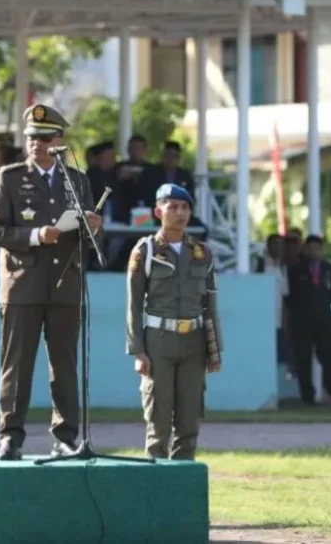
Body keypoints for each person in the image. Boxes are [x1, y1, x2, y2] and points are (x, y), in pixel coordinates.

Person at [0, 103, 101, 461]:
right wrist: (36, 235)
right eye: (32, 137)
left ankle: (65, 436)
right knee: (17, 366)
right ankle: (10, 437)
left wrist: (93, 226)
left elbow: (89, 238)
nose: (37, 143)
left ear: (60, 141)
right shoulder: (9, 178)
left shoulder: (76, 180)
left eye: (45, 138)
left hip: (65, 285)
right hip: (23, 286)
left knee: (64, 367)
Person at [125, 183, 222, 460]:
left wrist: (215, 350)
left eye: (185, 208)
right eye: (173, 207)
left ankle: (183, 479)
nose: (180, 213)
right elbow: (133, 304)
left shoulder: (202, 253)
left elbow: (210, 306)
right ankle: (155, 479)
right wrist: (138, 351)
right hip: (159, 341)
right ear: (158, 212)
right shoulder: (145, 251)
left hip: (194, 342)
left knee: (189, 420)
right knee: (158, 419)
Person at [287, 234, 331, 406]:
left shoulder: (330, 269)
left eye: (317, 248)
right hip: (302, 321)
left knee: (328, 355)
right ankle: (307, 395)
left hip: (323, 319)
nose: (314, 252)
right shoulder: (296, 270)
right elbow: (291, 296)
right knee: (303, 358)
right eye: (310, 248)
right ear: (305, 250)